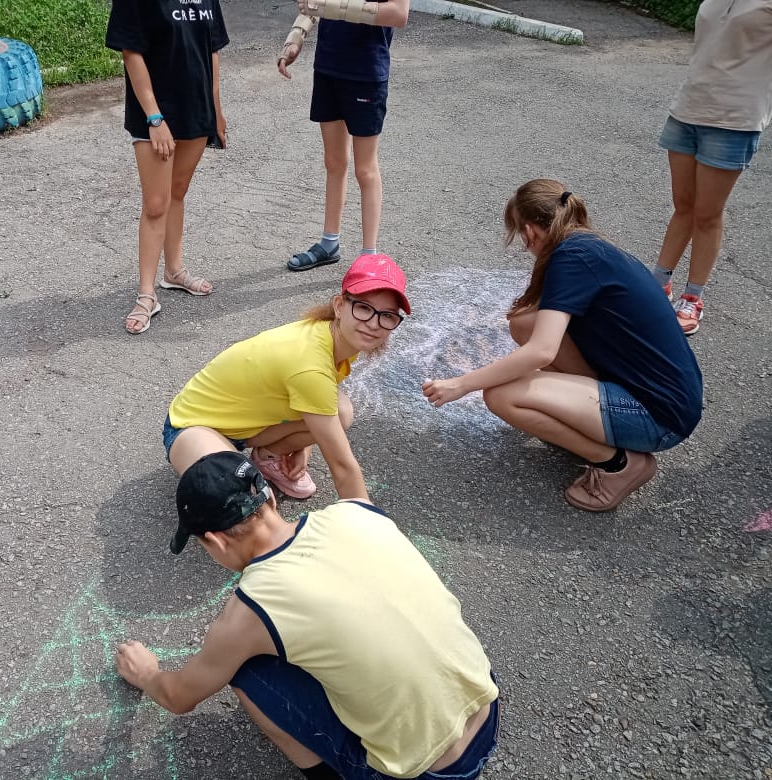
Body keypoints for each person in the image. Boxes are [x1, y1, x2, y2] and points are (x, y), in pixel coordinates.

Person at [116, 451, 500, 780]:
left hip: (427, 771)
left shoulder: (252, 609)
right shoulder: (354, 512)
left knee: (246, 671)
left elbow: (180, 697)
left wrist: (147, 673)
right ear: (269, 499)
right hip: (485, 707)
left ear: (215, 541)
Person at [422, 179, 703, 512]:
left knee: (501, 395)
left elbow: (542, 351)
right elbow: (533, 327)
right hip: (664, 395)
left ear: (529, 231)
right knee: (524, 322)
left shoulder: (569, 259)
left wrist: (461, 384)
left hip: (658, 417)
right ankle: (593, 425)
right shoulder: (586, 246)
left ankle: (619, 464)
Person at [164, 253, 410, 500]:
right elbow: (342, 466)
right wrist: (370, 528)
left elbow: (310, 401)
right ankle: (230, 463)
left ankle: (267, 456)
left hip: (244, 426)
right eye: (364, 308)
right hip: (192, 427)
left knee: (340, 411)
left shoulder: (340, 337)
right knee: (244, 503)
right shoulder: (310, 363)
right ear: (339, 306)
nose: (374, 323)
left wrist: (303, 446)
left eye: (387, 315)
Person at [105, 0, 229, 335]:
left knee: (177, 192)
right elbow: (131, 53)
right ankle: (147, 294)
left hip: (197, 110)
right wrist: (154, 118)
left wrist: (216, 110)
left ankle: (174, 272)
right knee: (156, 204)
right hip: (156, 115)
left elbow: (212, 49)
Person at [651, 0, 772, 335]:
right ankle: (659, 284)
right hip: (687, 109)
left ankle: (693, 297)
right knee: (683, 206)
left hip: (734, 120)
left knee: (707, 213)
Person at [277, 0, 411, 271]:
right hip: (328, 66)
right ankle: (329, 243)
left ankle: (369, 257)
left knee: (365, 170)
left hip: (366, 72)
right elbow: (315, 4)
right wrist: (296, 37)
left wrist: (330, 7)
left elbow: (398, 14)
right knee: (334, 162)